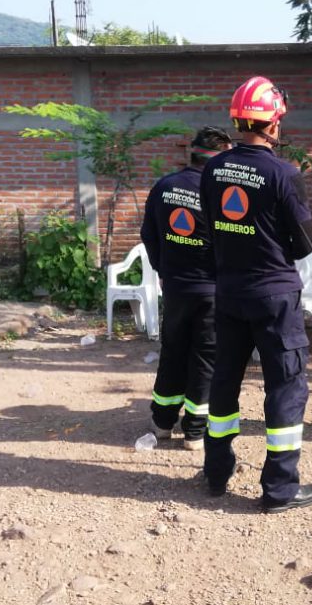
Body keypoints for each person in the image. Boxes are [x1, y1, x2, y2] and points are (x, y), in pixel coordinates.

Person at [200, 76, 312, 513]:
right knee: (285, 386)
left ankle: (215, 474)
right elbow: (304, 243)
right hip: (274, 296)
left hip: (229, 291)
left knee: (224, 382)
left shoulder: (213, 168)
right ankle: (280, 489)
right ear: (273, 124)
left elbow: (212, 227)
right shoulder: (283, 172)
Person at [140, 126, 234, 450]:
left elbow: (148, 234)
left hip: (176, 288)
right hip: (211, 291)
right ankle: (194, 431)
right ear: (219, 156)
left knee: (173, 353)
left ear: (191, 153)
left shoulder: (164, 186)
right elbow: (231, 243)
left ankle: (162, 422)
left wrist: (162, 268)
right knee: (206, 357)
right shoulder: (220, 192)